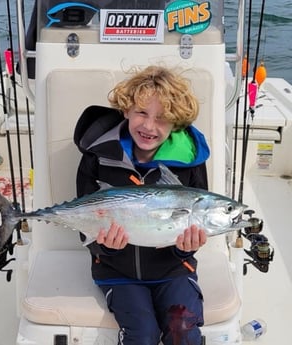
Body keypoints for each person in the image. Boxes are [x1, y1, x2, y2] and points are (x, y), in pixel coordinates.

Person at [74, 65, 210, 345]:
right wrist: (105, 247)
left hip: (174, 269)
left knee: (183, 332)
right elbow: (83, 221)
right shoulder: (97, 156)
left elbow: (196, 219)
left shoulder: (190, 162)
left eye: (162, 118)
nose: (149, 126)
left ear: (176, 123)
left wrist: (187, 245)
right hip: (116, 271)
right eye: (142, 113)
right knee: (142, 335)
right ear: (126, 110)